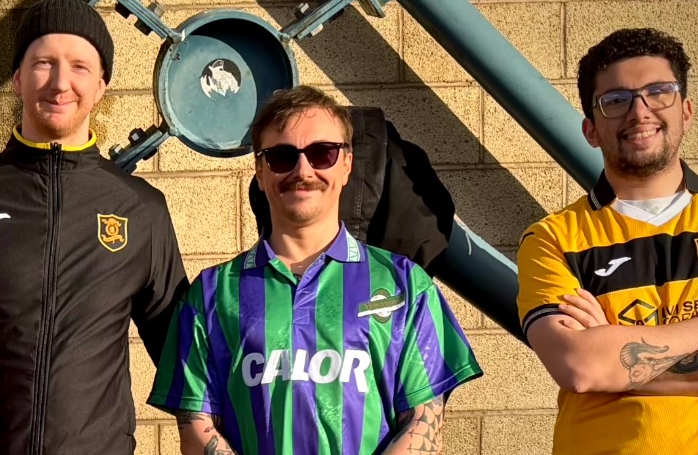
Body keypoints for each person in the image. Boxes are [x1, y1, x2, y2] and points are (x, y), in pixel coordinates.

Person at [0, 0, 189, 454]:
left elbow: (184, 359)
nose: (59, 82)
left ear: (102, 86)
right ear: (17, 78)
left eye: (79, 67)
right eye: (43, 63)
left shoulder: (140, 209)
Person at [516, 28, 698, 454]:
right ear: (591, 129)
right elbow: (581, 366)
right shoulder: (552, 239)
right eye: (615, 100)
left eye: (659, 92)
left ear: (686, 110)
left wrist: (618, 357)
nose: (639, 111)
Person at [149, 86, 482, 454]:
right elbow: (197, 426)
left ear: (346, 165)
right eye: (281, 156)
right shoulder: (213, 292)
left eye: (322, 153)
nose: (302, 169)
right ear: (260, 172)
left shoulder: (405, 285)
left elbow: (424, 421)